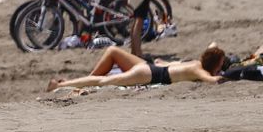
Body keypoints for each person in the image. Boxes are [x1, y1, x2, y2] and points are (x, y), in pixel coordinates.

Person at [47, 44, 224, 92]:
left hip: (150, 67)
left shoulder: (195, 63)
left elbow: (212, 45)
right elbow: (212, 80)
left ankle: (78, 82)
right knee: (103, 81)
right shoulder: (198, 70)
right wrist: (228, 77)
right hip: (149, 73)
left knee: (113, 52)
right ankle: (60, 86)